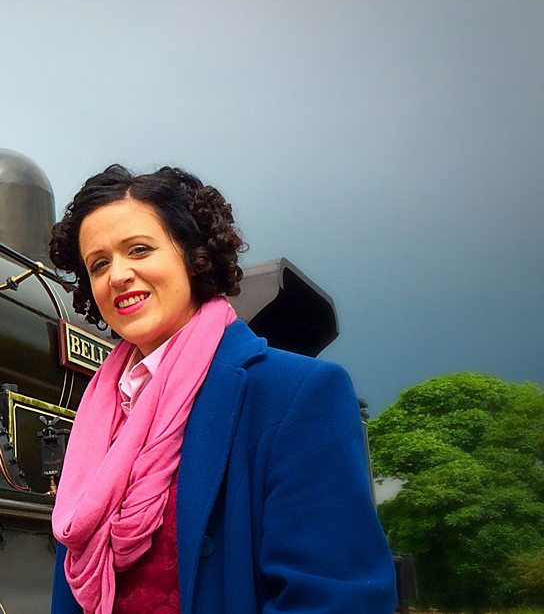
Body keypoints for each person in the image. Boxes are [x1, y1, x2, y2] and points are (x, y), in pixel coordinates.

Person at [48, 165, 395, 613]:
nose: (118, 275)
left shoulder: (297, 392)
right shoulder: (98, 418)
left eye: (139, 249)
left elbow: (335, 597)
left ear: (194, 256)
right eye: (99, 264)